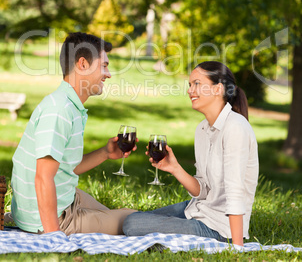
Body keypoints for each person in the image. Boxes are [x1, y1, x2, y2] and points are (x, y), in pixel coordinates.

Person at [10, 32, 137, 235]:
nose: (109, 74)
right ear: (83, 64)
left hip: (64, 198)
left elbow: (68, 167)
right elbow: (43, 177)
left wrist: (105, 152)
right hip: (50, 218)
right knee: (135, 221)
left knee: (124, 215)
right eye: (104, 65)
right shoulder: (59, 110)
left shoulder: (69, 105)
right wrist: (53, 236)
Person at [123, 61, 259, 246]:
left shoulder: (236, 127)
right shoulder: (202, 129)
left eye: (197, 84)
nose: (190, 90)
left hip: (219, 228)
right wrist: (175, 168)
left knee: (132, 224)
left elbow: (236, 193)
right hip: (198, 209)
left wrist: (237, 247)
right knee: (134, 218)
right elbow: (202, 190)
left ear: (217, 89)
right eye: (189, 85)